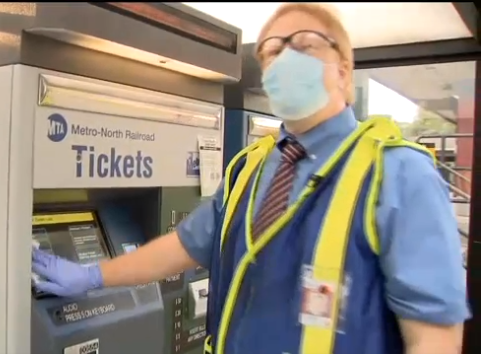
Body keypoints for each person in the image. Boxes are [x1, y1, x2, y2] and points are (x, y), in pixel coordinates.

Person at [31, 3, 469, 353]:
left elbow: (435, 338)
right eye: (273, 51)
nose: (285, 58)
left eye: (305, 44)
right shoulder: (250, 168)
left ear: (344, 70)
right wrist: (92, 276)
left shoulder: (399, 174)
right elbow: (183, 246)